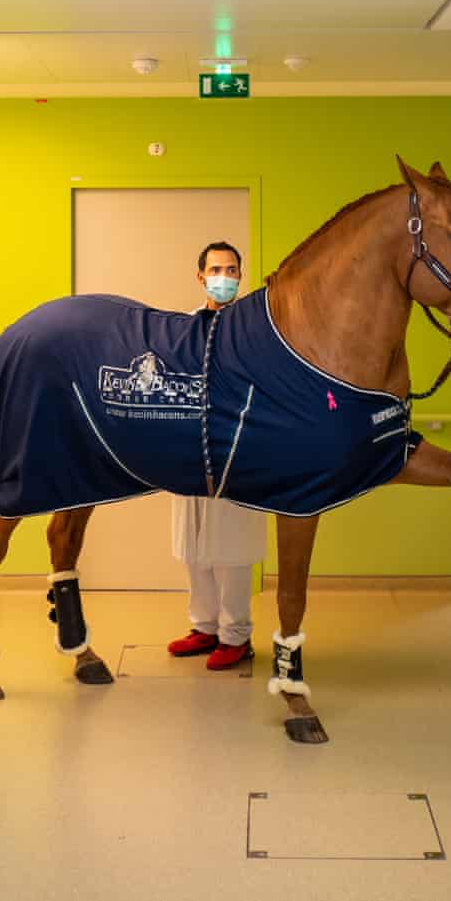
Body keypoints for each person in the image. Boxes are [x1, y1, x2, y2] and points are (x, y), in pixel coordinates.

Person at [166, 241, 268, 670]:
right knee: (194, 546)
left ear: (241, 276)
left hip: (238, 450)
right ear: (200, 275)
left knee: (232, 549)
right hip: (191, 449)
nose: (223, 277)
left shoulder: (255, 330)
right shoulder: (183, 328)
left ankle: (235, 636)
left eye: (231, 270)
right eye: (215, 269)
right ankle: (204, 628)